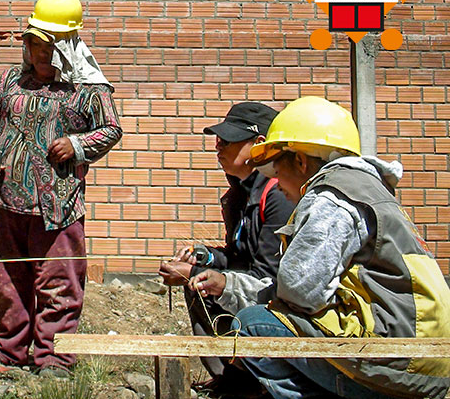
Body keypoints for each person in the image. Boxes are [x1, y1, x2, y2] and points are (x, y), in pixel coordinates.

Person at [190, 96, 450, 399]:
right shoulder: (368, 190)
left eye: (276, 170)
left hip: (398, 367)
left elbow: (299, 291)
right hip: (423, 364)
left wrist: (239, 290)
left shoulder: (331, 197)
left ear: (301, 161)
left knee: (253, 324)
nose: (278, 186)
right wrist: (232, 285)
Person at [0, 0, 122, 377]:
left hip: (59, 205)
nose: (40, 52)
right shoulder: (9, 81)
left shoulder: (89, 89)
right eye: (35, 42)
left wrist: (76, 145)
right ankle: (10, 347)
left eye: (48, 45)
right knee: (9, 279)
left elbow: (110, 130)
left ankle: (54, 356)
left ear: (67, 46)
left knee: (59, 282)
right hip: (6, 201)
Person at [157, 102, 291, 397]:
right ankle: (231, 378)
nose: (219, 148)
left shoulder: (279, 195)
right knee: (198, 283)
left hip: (277, 305)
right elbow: (239, 255)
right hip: (254, 286)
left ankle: (252, 380)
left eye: (228, 140)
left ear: (259, 145)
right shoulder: (240, 193)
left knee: (200, 281)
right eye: (218, 141)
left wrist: (194, 272)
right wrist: (204, 256)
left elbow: (268, 277)